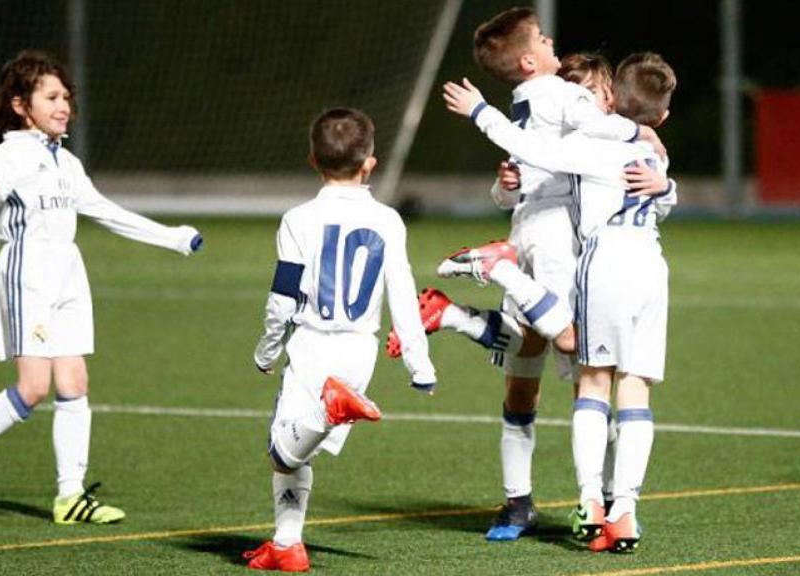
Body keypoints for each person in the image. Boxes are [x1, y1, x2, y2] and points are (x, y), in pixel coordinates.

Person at [391, 8, 665, 543]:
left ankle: (456, 318)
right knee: (584, 356)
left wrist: (507, 183)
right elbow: (571, 145)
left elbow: (518, 180)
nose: (550, 40)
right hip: (554, 242)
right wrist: (643, 131)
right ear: (528, 58)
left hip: (525, 234)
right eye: (542, 38)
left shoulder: (530, 101)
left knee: (525, 378)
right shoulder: (564, 100)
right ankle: (607, 498)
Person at [0, 50, 202, 524]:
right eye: (51, 96)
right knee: (32, 388)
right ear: (22, 105)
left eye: (66, 96)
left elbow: (107, 212)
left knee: (74, 381)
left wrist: (172, 238)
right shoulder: (11, 152)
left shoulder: (66, 162)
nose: (63, 104)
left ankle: (69, 497)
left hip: (68, 270)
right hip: (28, 269)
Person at [243, 108, 437, 572]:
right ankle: (287, 544)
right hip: (359, 351)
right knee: (296, 455)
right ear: (370, 162)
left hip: (313, 345)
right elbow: (403, 293)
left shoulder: (298, 219)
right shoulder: (388, 220)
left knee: (280, 449)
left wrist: (267, 349)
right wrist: (419, 362)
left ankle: (328, 412)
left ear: (313, 159)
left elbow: (282, 297)